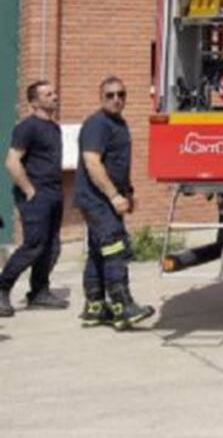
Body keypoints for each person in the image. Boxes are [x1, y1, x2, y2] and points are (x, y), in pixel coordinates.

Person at [75, 76, 155, 329]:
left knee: (99, 251)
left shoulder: (119, 124)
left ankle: (95, 307)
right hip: (97, 199)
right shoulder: (97, 124)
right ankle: (124, 307)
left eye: (121, 94)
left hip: (107, 198)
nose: (116, 99)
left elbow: (118, 164)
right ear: (101, 98)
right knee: (115, 249)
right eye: (110, 95)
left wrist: (128, 191)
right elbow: (92, 162)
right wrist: (113, 195)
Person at [0, 81, 69, 316]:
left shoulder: (54, 128)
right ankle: (2, 288)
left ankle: (39, 292)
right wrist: (29, 190)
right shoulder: (27, 128)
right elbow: (12, 161)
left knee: (51, 247)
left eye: (54, 92)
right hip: (36, 195)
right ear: (34, 102)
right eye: (48, 94)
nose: (55, 96)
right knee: (33, 246)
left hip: (53, 194)